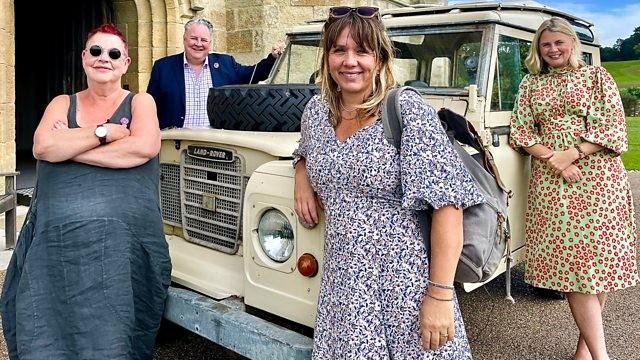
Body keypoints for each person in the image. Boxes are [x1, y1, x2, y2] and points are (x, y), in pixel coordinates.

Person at [293, 6, 484, 358]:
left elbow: (447, 205)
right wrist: (301, 172)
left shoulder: (406, 110)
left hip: (404, 283)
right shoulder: (316, 112)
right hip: (344, 285)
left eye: (362, 51)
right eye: (339, 50)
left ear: (380, 59)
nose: (350, 61)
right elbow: (307, 149)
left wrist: (440, 295)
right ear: (327, 57)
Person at [0, 23, 171, 359]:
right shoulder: (62, 102)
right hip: (57, 238)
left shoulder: (141, 103)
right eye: (95, 51)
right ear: (83, 58)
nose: (103, 58)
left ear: (126, 62)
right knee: (45, 317)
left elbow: (144, 148)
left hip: (121, 240)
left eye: (113, 53)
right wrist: (107, 132)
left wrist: (70, 148)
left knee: (111, 329)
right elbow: (42, 146)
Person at [509, 17, 639, 360]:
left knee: (599, 262)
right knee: (574, 267)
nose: (553, 49)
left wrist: (574, 153)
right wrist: (555, 158)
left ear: (572, 44)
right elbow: (521, 132)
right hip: (555, 183)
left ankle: (585, 350)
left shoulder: (596, 77)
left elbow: (613, 130)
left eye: (559, 43)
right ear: (538, 48)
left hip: (599, 178)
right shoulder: (530, 84)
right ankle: (601, 356)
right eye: (545, 44)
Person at [147, 18, 284, 129]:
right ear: (184, 39)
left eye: (204, 40)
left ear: (210, 43)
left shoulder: (226, 64)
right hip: (175, 143)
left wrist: (272, 57)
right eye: (193, 38)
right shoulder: (163, 67)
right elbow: (149, 108)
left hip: (215, 143)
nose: (198, 44)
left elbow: (254, 74)